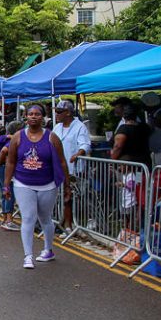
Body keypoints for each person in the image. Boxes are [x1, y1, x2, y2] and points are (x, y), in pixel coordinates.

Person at [4, 105, 70, 269]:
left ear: (43, 117)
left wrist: (67, 185)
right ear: (25, 117)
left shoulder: (52, 137)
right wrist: (6, 185)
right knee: (28, 218)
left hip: (47, 184)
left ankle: (48, 249)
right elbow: (11, 162)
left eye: (37, 114)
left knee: (45, 218)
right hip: (23, 183)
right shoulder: (18, 137)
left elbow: (62, 161)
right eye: (30, 114)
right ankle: (28, 256)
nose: (34, 117)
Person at [52, 100, 91, 233]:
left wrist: (77, 154)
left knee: (69, 197)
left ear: (68, 113)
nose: (56, 114)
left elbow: (85, 144)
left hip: (73, 169)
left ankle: (68, 225)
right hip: (57, 167)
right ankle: (59, 221)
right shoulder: (57, 127)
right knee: (58, 196)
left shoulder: (79, 126)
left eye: (59, 112)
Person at [0, 122, 20, 231]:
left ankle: (4, 219)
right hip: (3, 168)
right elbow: (4, 151)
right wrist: (0, 161)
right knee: (8, 192)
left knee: (4, 193)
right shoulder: (9, 140)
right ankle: (9, 220)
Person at [111, 104, 152, 169]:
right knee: (142, 179)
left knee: (129, 179)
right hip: (144, 163)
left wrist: (112, 159)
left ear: (124, 116)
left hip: (128, 165)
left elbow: (118, 146)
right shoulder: (145, 127)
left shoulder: (124, 129)